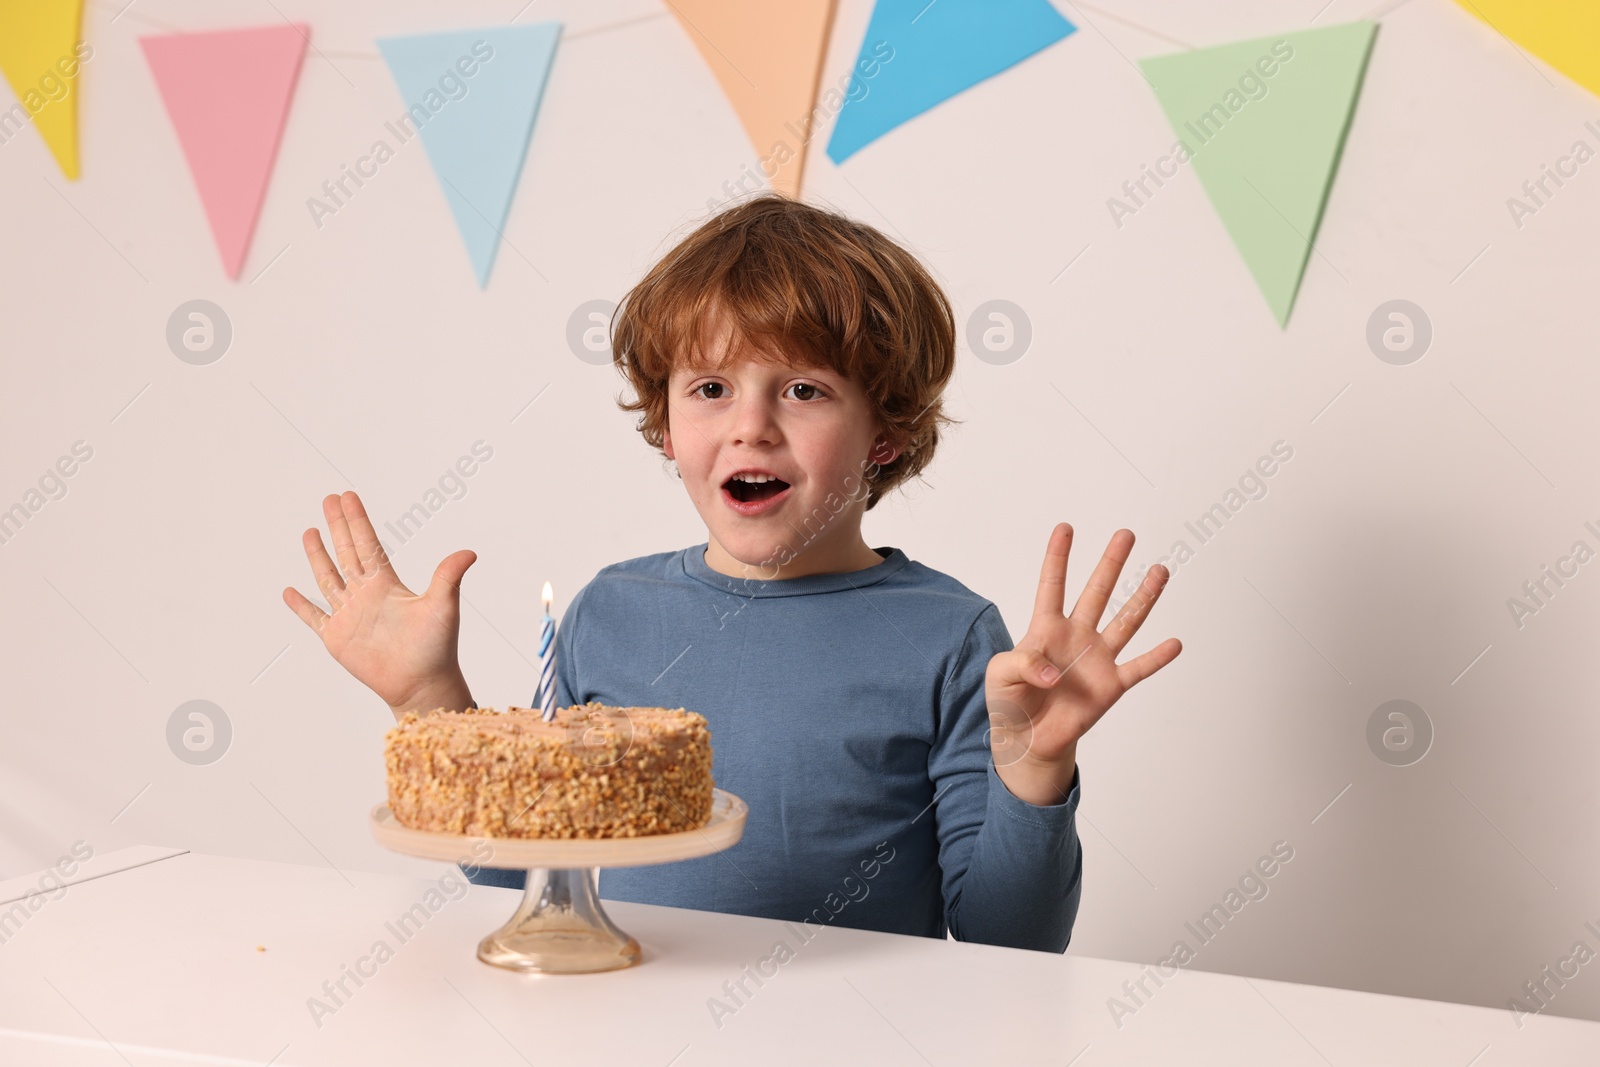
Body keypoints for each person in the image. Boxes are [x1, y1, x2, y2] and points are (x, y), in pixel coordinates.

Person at [282, 194, 1181, 952]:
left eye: (803, 389)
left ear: (888, 435)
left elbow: (1005, 943)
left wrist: (1035, 770)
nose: (751, 425)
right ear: (668, 430)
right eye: (711, 388)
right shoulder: (611, 612)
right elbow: (521, 875)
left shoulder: (952, 639)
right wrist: (430, 700)